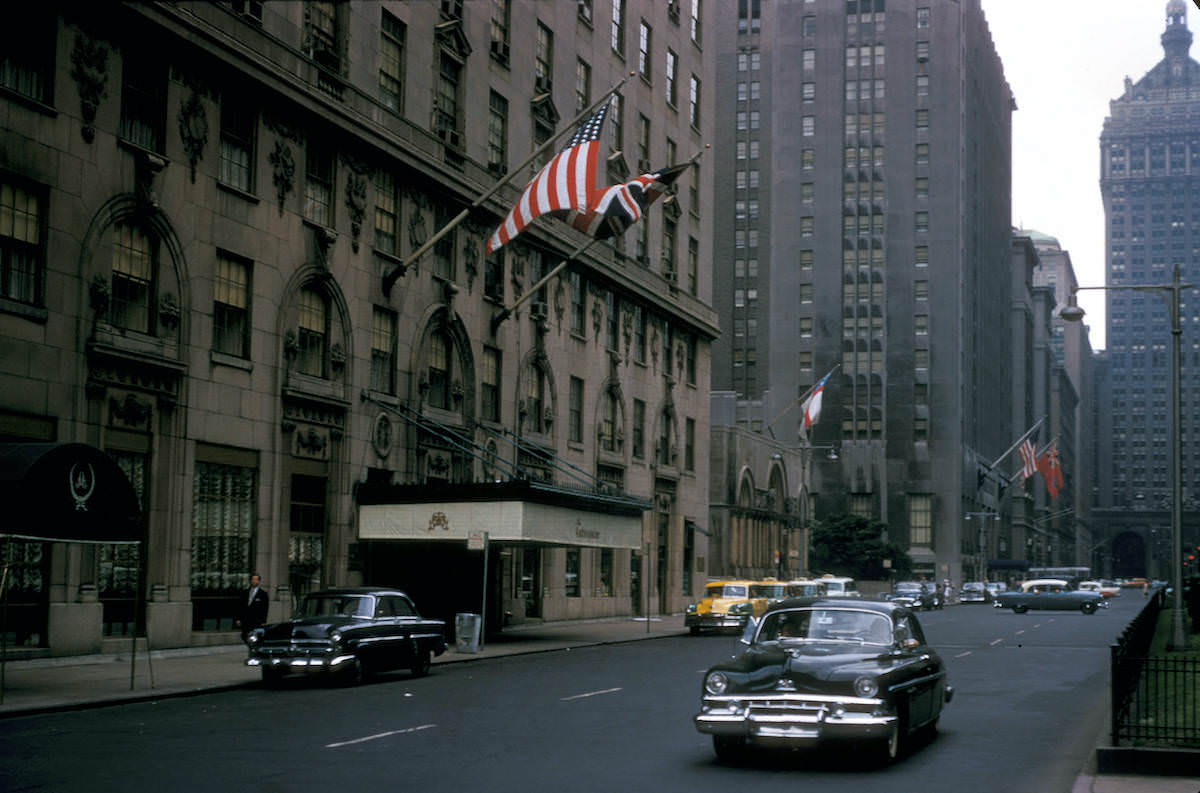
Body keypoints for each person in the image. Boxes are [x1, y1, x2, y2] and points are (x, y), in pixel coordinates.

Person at [237, 573, 270, 642]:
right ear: (250, 581)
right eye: (252, 579)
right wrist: (239, 619)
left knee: (255, 637)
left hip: (256, 621)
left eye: (256, 580)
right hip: (245, 620)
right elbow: (240, 607)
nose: (254, 581)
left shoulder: (263, 594)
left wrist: (263, 621)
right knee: (244, 635)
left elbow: (265, 608)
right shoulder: (245, 592)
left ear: (259, 581)